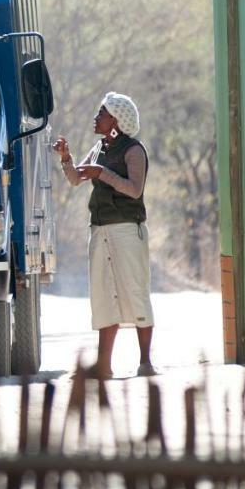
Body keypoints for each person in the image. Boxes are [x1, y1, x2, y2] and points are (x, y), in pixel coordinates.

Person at [53, 92, 155, 379]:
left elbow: (134, 189)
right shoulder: (99, 149)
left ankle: (145, 362)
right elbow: (75, 179)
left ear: (116, 120)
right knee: (103, 296)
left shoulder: (134, 151)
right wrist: (67, 158)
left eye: (102, 113)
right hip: (99, 231)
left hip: (126, 230)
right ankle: (103, 365)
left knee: (135, 291)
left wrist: (102, 173)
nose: (96, 118)